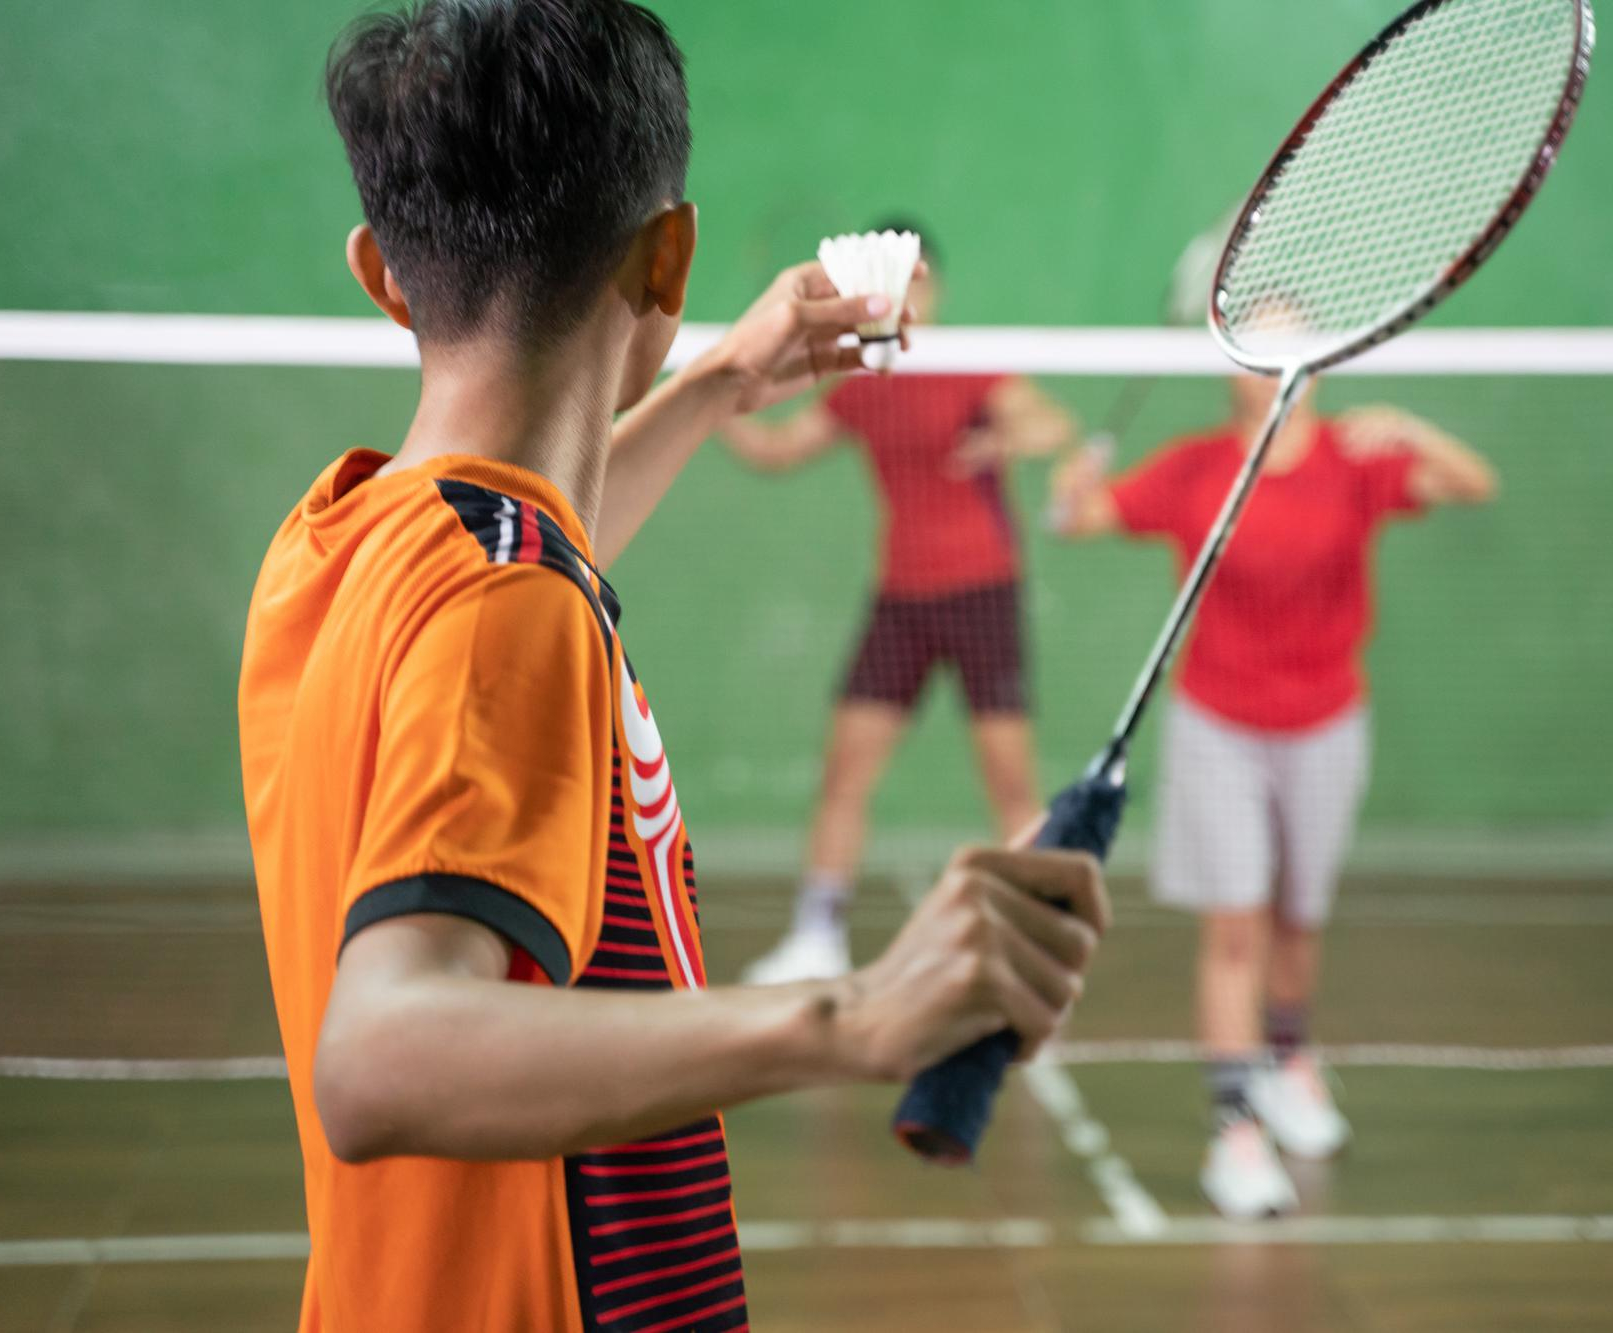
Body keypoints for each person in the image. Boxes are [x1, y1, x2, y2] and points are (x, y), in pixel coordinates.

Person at [237, 6, 1107, 1330]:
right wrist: (847, 1013)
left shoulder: (343, 537)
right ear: (673, 253)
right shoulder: (510, 598)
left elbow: (528, 556)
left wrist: (715, 386)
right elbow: (380, 1055)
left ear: (381, 273)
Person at [1052, 373, 1494, 1219]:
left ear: (1318, 366)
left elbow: (1475, 483)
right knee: (1234, 926)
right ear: (1231, 369)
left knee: (1297, 917)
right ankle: (1234, 1129)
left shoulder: (1353, 461)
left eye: (1290, 346)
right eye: (1254, 350)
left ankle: (1288, 1058)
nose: (1270, 367)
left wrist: (1412, 426)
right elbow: (1081, 517)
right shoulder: (1195, 468)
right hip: (1218, 724)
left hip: (1326, 722)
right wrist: (1073, 487)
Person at [720, 231, 1078, 985]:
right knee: (845, 770)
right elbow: (777, 450)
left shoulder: (969, 369)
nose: (905, 301)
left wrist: (1008, 436)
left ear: (933, 291)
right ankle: (816, 937)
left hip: (982, 590)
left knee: (1010, 782)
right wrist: (708, 393)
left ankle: (1039, 942)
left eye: (915, 285)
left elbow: (1054, 425)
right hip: (900, 600)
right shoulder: (862, 382)